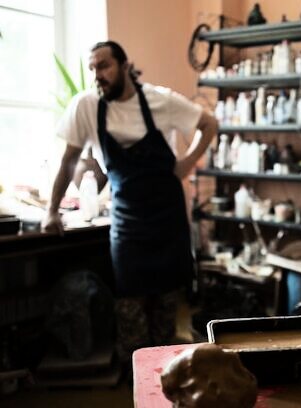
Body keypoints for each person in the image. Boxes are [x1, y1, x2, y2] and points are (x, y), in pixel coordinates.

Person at [43, 41, 218, 363]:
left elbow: (210, 124)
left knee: (166, 315)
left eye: (105, 66)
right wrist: (51, 211)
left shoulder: (159, 100)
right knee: (130, 314)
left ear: (125, 66)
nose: (98, 75)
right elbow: (69, 160)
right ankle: (137, 380)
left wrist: (187, 163)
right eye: (93, 68)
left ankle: (169, 380)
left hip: (167, 222)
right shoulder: (87, 106)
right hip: (128, 225)